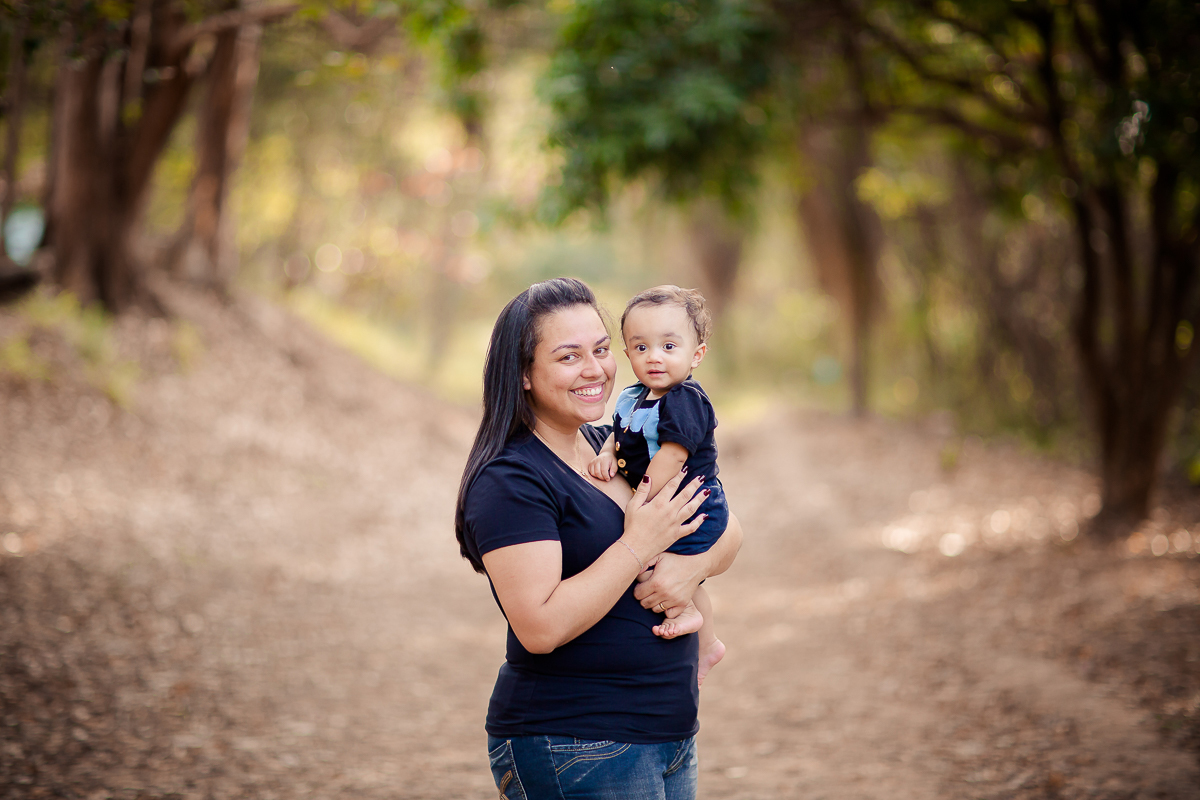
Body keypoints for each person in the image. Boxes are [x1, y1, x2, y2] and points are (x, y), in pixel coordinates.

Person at [455, 278, 743, 800]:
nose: (596, 370)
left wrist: (686, 570)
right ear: (523, 374)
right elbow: (539, 627)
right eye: (569, 357)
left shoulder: (605, 444)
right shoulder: (511, 480)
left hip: (667, 733)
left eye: (602, 349)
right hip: (576, 741)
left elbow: (730, 532)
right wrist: (638, 546)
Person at [587, 285, 726, 685]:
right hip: (666, 499)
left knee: (665, 565)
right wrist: (608, 455)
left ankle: (699, 628)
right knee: (656, 563)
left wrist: (642, 500)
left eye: (669, 346)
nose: (655, 358)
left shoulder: (685, 399)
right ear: (627, 354)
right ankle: (705, 639)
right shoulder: (632, 397)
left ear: (695, 354)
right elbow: (621, 434)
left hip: (692, 505)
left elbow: (673, 455)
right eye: (641, 347)